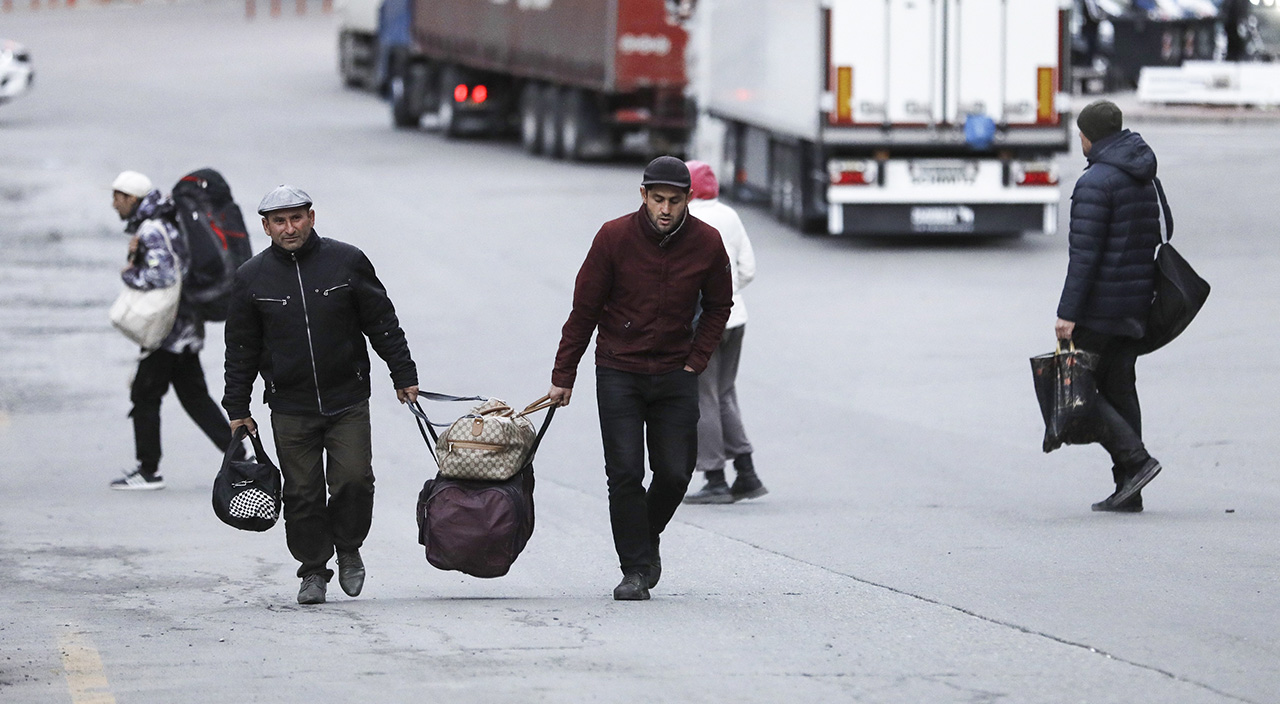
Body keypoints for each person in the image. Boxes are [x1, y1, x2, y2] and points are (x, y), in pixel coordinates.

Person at [222, 185, 419, 605]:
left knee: (353, 479)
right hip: (290, 406)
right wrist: (237, 407)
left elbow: (382, 321)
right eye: (279, 221)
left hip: (347, 398)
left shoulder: (346, 261)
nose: (289, 228)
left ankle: (348, 547)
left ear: (312, 217)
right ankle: (313, 569)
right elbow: (240, 349)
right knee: (301, 493)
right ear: (266, 227)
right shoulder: (251, 279)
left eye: (296, 218)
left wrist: (403, 373)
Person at [548, 156, 733, 601]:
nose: (665, 210)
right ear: (643, 196)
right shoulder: (613, 238)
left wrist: (696, 360)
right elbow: (584, 310)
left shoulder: (707, 243)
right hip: (619, 372)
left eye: (674, 201)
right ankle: (634, 568)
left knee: (674, 473)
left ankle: (644, 539)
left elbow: (719, 305)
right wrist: (563, 373)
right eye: (657, 200)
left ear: (689, 199)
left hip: (675, 373)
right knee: (625, 473)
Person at [1056, 101, 1163, 513]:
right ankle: (1129, 490)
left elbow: (1084, 257)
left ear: (1092, 136)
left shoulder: (1095, 183)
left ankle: (1136, 461)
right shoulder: (1141, 174)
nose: (1078, 139)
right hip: (1135, 303)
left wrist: (1067, 313)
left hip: (1100, 306)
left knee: (1079, 388)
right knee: (1119, 386)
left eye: (1080, 132)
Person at [110, 170, 245, 491]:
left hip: (168, 332)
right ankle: (240, 460)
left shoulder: (153, 228)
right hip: (184, 327)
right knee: (194, 396)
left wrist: (130, 274)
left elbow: (164, 277)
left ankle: (148, 470)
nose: (114, 205)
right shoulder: (165, 219)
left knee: (144, 393)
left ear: (131, 198)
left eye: (117, 198)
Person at [681, 160, 764, 505]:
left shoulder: (688, 221)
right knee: (725, 393)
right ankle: (747, 473)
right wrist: (727, 292)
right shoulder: (729, 215)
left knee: (704, 398)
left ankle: (715, 478)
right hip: (736, 317)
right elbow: (748, 268)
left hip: (703, 323)